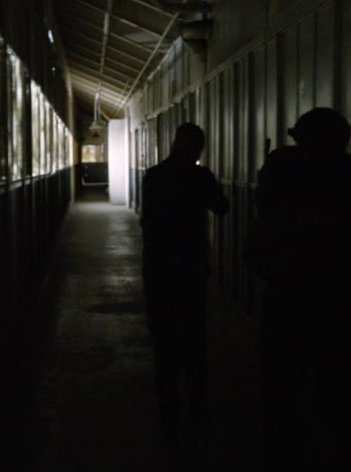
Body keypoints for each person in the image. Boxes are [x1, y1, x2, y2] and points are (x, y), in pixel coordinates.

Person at [248, 108, 351, 471]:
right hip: (338, 294)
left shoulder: (281, 168)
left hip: (286, 291)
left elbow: (265, 220)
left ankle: (282, 451)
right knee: (341, 384)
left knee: (281, 381)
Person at [140, 123, 229, 446]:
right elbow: (222, 207)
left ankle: (168, 410)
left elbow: (147, 222)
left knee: (163, 340)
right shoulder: (200, 177)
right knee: (193, 335)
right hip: (191, 268)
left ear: (174, 143)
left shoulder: (154, 175)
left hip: (159, 267)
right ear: (199, 149)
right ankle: (197, 406)